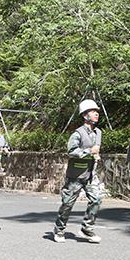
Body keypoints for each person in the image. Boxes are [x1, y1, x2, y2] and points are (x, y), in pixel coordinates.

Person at [52, 100, 103, 244]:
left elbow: (95, 150)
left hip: (90, 175)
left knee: (97, 199)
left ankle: (87, 228)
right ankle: (59, 229)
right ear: (85, 115)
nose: (96, 114)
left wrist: (96, 156)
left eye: (97, 111)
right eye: (93, 111)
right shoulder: (78, 133)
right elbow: (71, 151)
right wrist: (89, 151)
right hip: (75, 176)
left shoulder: (98, 132)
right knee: (67, 204)